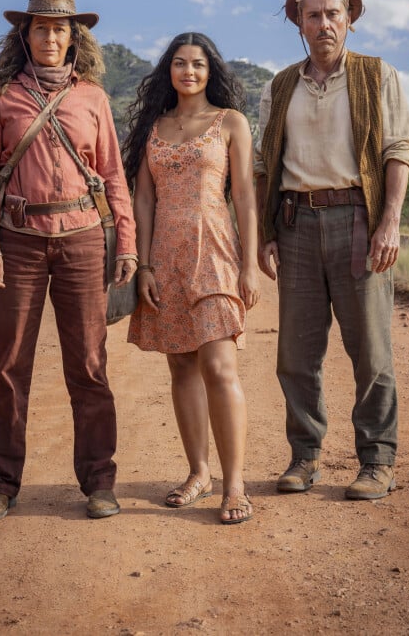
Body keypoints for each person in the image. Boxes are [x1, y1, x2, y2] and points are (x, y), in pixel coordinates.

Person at [0, 0, 137, 522]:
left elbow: (113, 175)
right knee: (10, 365)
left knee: (89, 364)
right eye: (40, 27)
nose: (49, 37)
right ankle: (1, 484)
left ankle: (99, 482)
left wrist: (126, 244)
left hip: (85, 239)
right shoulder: (1, 98)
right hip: (18, 241)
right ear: (26, 35)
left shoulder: (93, 98)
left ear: (73, 38)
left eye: (59, 29)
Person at [255, 0, 409, 501]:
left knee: (370, 351)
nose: (323, 24)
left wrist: (389, 221)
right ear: (298, 25)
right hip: (296, 222)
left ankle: (376, 461)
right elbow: (263, 165)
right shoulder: (279, 87)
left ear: (349, 20)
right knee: (296, 355)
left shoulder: (376, 76)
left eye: (333, 15)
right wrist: (266, 232)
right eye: (312, 16)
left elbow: (397, 149)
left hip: (357, 223)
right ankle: (305, 456)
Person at [123, 32, 259, 525]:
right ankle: (198, 473)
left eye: (198, 64)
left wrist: (248, 263)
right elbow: (142, 201)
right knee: (181, 367)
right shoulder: (153, 128)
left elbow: (243, 195)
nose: (189, 72)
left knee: (220, 368)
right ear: (169, 71)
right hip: (164, 257)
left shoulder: (231, 123)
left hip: (215, 253)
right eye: (179, 64)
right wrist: (143, 265)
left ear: (210, 70)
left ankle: (235, 484)